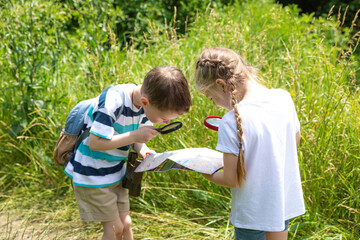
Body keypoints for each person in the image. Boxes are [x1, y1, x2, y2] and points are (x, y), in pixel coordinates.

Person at [64, 66, 192, 240]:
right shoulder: (113, 101)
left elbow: (134, 137)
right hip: (92, 174)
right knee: (115, 229)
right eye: (164, 119)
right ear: (145, 102)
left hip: (116, 173)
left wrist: (143, 149)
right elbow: (95, 143)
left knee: (126, 225)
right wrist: (134, 136)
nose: (167, 122)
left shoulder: (146, 103)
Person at [194, 47, 305, 240]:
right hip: (281, 203)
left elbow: (231, 179)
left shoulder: (230, 122)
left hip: (252, 212)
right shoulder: (283, 98)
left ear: (221, 85)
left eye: (211, 98)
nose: (215, 104)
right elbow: (294, 140)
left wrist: (202, 170)